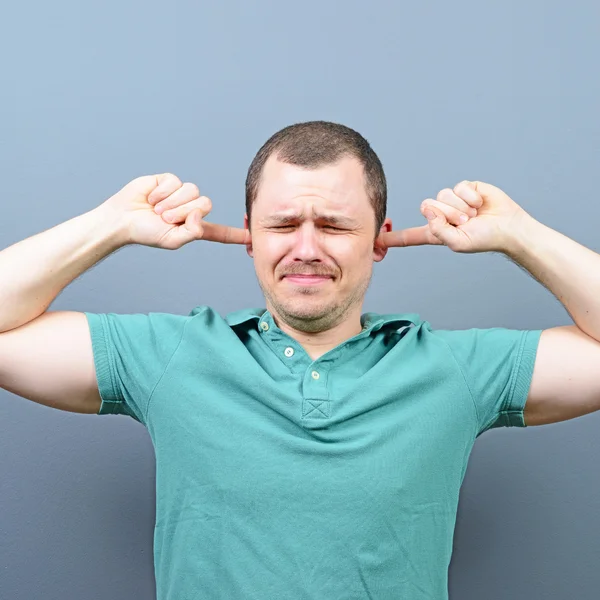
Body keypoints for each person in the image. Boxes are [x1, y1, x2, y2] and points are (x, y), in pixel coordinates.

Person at [1, 120, 598, 600]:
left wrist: (522, 235)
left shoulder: (456, 369)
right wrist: (110, 226)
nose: (306, 249)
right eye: (283, 224)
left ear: (380, 239)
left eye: (335, 225)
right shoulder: (170, 355)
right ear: (250, 237)